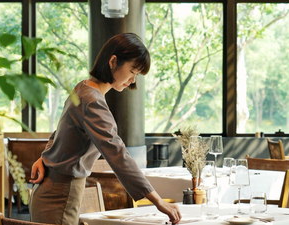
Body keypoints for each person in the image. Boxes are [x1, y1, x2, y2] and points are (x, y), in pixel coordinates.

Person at [29, 33, 181, 225]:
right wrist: (157, 201)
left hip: (55, 190)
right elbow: (117, 153)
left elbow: (60, 133)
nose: (133, 80)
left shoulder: (83, 88)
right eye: (133, 71)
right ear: (113, 61)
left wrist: (45, 157)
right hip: (59, 194)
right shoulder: (92, 100)